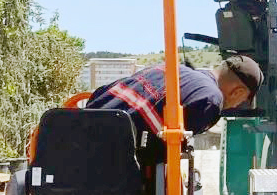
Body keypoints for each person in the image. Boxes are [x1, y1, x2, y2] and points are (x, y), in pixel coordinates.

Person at [87, 56, 263, 144]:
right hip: (110, 175)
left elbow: (100, 94)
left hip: (77, 141)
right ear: (237, 92)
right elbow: (165, 153)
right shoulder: (211, 100)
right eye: (244, 100)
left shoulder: (168, 69)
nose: (239, 104)